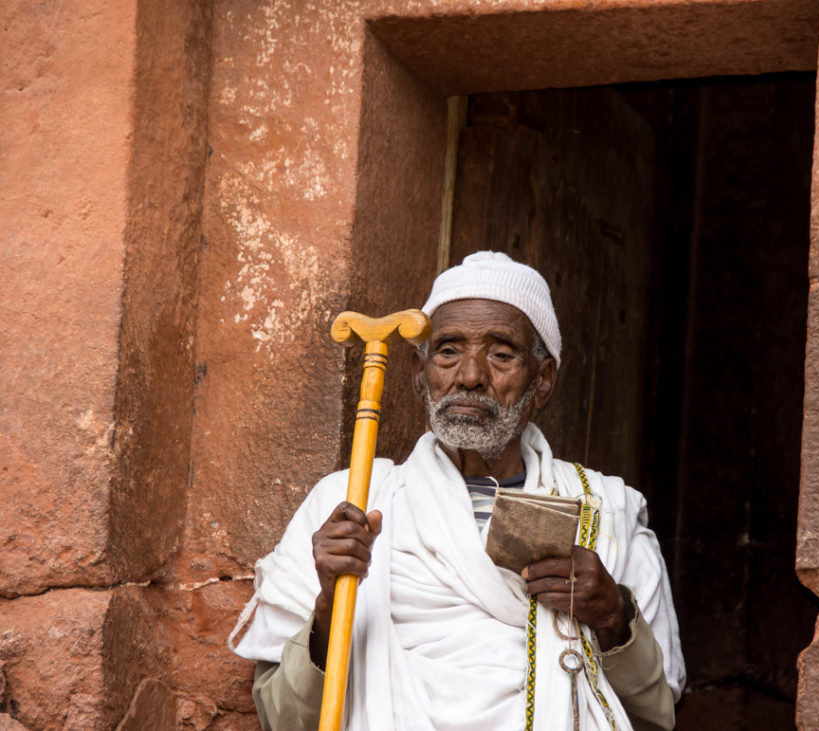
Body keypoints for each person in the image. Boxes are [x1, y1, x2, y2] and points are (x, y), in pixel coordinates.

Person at [229, 252, 685, 730]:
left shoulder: (607, 511)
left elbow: (658, 715)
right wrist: (329, 603)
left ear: (543, 380)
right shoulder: (349, 501)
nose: (470, 376)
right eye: (448, 351)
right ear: (418, 372)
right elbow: (282, 718)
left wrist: (613, 616)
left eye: (501, 354)